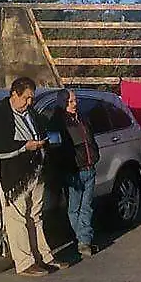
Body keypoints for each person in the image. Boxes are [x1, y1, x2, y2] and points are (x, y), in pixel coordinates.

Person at [0, 76, 67, 277]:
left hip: (36, 171)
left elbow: (41, 131)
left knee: (36, 215)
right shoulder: (0, 116)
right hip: (15, 175)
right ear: (14, 94)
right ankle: (24, 262)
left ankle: (44, 257)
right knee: (17, 218)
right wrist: (24, 146)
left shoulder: (31, 114)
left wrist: (44, 142)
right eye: (26, 98)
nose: (29, 102)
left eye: (31, 98)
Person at [49, 88, 100, 259]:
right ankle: (82, 239)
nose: (74, 104)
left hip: (89, 167)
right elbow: (57, 148)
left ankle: (84, 240)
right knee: (75, 208)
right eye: (70, 101)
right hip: (74, 171)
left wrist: (94, 155)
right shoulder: (59, 122)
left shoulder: (82, 119)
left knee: (87, 207)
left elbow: (90, 139)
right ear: (63, 102)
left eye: (75, 100)